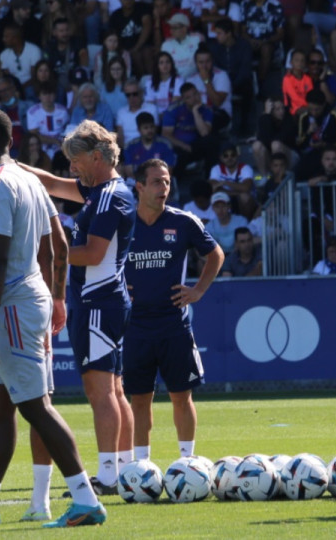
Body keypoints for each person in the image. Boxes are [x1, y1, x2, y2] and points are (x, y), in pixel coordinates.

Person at [0, 109, 105, 529]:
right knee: (0, 409)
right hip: (29, 295)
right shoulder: (30, 180)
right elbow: (54, 248)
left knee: (36, 407)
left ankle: (86, 500)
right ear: (10, 142)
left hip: (10, 303)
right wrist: (53, 295)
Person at [20, 120, 136, 497]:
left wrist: (49, 249)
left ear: (98, 157)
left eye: (76, 160)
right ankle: (124, 469)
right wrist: (8, 163)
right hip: (103, 300)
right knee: (114, 391)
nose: (72, 168)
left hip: (99, 301)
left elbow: (92, 254)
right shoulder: (101, 190)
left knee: (100, 391)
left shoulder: (108, 197)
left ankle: (108, 476)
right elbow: (50, 182)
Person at [124, 158, 224, 461]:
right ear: (139, 187)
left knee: (182, 396)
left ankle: (187, 462)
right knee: (139, 400)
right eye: (156, 182)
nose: (163, 188)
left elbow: (215, 254)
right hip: (134, 327)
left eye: (166, 181)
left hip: (173, 326)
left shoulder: (184, 221)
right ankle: (141, 467)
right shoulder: (122, 224)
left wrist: (198, 291)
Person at [122, 112, 177, 179]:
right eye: (146, 128)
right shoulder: (130, 147)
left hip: (160, 182)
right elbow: (129, 172)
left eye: (152, 127)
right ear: (139, 130)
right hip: (138, 184)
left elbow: (169, 170)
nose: (150, 130)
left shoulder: (165, 144)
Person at [209, 144, 255, 219]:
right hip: (225, 198)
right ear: (221, 158)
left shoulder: (245, 168)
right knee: (215, 196)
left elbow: (246, 188)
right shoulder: (216, 169)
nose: (229, 158)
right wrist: (237, 192)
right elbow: (213, 188)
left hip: (245, 202)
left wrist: (225, 183)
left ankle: (245, 222)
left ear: (237, 156)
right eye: (225, 156)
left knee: (244, 196)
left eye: (233, 155)